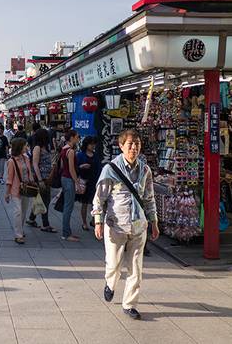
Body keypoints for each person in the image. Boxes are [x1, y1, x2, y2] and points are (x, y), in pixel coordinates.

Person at [93, 129, 159, 321]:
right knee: (113, 265)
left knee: (136, 270)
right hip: (115, 225)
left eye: (137, 144)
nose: (134, 148)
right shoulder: (110, 170)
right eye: (130, 144)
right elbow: (99, 199)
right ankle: (110, 284)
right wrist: (98, 221)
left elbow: (149, 198)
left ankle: (129, 304)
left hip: (139, 226)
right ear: (121, 146)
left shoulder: (145, 170)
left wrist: (153, 221)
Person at [26, 129, 56, 232]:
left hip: (47, 178)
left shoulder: (45, 148)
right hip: (42, 178)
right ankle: (45, 224)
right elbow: (35, 164)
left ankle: (31, 219)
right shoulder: (37, 148)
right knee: (45, 201)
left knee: (40, 200)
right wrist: (40, 180)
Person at [5, 137, 34, 244]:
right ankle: (18, 235)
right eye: (25, 145)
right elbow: (9, 178)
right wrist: (7, 193)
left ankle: (20, 230)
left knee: (24, 211)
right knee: (18, 211)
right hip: (16, 189)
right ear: (19, 147)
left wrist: (32, 181)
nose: (27, 147)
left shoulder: (26, 158)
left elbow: (29, 171)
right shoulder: (11, 161)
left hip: (26, 188)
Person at [76, 136, 101, 231]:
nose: (93, 146)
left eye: (94, 144)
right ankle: (84, 222)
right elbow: (76, 168)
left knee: (95, 203)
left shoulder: (96, 156)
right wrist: (81, 167)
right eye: (91, 144)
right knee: (85, 203)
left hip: (94, 181)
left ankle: (94, 220)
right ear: (86, 144)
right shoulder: (80, 155)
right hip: (84, 182)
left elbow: (99, 169)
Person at [60, 130, 82, 242]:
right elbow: (71, 169)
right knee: (68, 207)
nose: (78, 139)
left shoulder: (64, 149)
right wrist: (77, 182)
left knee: (67, 206)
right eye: (77, 137)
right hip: (69, 179)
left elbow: (63, 166)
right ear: (72, 138)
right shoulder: (71, 151)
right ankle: (66, 233)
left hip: (64, 178)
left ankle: (67, 231)